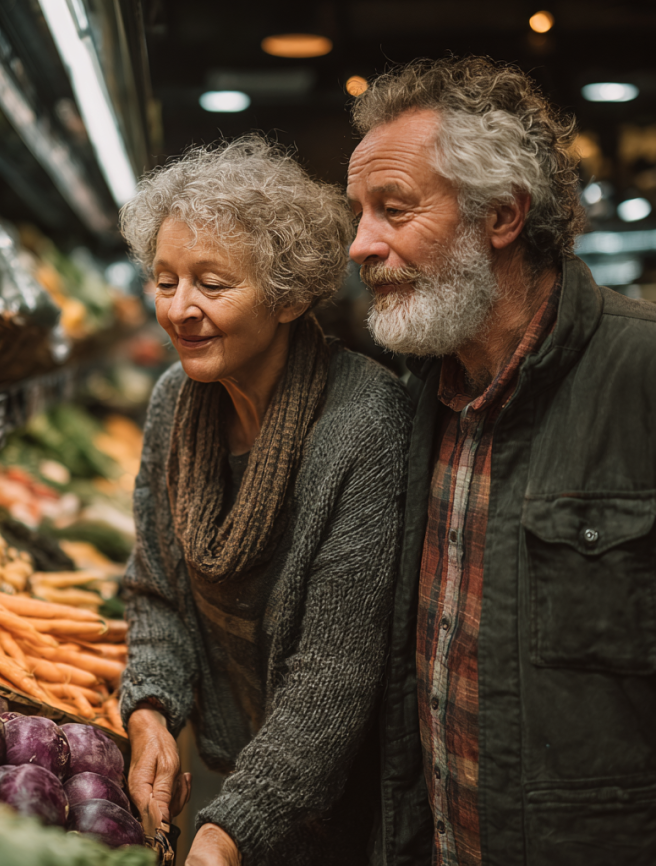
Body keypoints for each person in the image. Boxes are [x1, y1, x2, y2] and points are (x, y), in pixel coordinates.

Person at [347, 55, 656, 866]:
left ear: (503, 215)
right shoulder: (410, 401)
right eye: (358, 213)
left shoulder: (641, 378)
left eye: (393, 209)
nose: (359, 245)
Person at [118, 136, 411, 866]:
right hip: (230, 763)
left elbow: (333, 676)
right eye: (164, 281)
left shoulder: (363, 424)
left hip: (346, 814)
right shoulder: (172, 407)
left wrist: (228, 829)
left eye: (212, 285)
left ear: (289, 296)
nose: (181, 309)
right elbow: (157, 589)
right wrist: (151, 709)